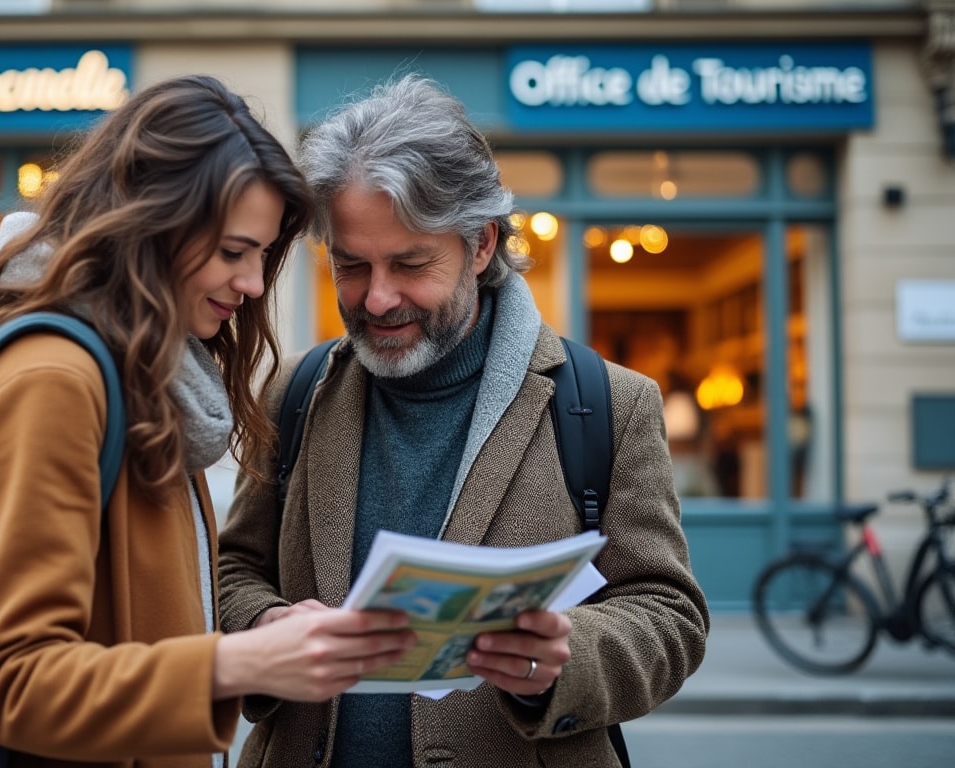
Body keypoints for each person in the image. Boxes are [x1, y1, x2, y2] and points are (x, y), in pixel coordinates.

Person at [0, 74, 414, 768]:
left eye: (263, 256)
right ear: (152, 226)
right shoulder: (56, 382)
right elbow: (14, 682)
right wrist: (238, 662)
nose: (253, 284)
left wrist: (261, 634)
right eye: (234, 251)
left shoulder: (143, 377)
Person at [218, 74, 710, 768]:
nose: (377, 297)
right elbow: (231, 568)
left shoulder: (609, 404)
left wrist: (565, 656)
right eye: (350, 265)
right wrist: (264, 625)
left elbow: (668, 614)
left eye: (410, 263)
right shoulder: (296, 392)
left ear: (480, 246)